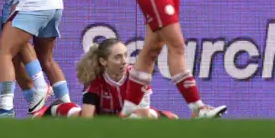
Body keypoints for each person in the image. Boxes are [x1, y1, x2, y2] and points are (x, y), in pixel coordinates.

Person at [36, 38, 178, 119]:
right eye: (117, 57)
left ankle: (165, 115)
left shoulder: (137, 77)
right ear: (104, 62)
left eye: (125, 55)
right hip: (101, 116)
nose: (124, 61)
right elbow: (87, 119)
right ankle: (54, 108)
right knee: (78, 117)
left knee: (150, 118)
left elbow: (142, 115)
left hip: (129, 116)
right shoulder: (95, 79)